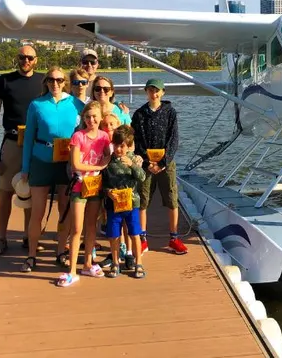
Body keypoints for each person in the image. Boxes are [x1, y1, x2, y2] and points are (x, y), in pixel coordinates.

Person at [20, 66, 85, 273]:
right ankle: (31, 255)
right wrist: (25, 167)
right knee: (37, 212)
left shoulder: (76, 104)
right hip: (41, 160)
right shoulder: (36, 105)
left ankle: (60, 252)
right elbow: (29, 137)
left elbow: (90, 128)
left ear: (64, 81)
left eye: (58, 80)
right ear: (46, 82)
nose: (54, 84)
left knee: (64, 211)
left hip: (67, 162)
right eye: (50, 80)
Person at [0, 45, 44, 256]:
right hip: (11, 142)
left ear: (36, 60)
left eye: (29, 58)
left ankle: (29, 236)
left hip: (36, 142)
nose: (25, 61)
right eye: (22, 57)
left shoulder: (43, 81)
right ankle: (1, 238)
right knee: (6, 191)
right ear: (17, 59)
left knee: (32, 191)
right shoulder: (5, 80)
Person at [57, 101, 111, 287]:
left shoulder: (104, 137)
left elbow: (109, 155)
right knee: (77, 228)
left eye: (95, 116)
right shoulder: (78, 136)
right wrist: (98, 166)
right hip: (79, 186)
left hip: (95, 186)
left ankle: (88, 263)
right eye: (88, 117)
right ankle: (72, 270)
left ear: (100, 118)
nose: (91, 120)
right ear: (83, 118)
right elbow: (76, 165)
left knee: (91, 226)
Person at [132, 78, 187, 255]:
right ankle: (142, 239)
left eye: (157, 91)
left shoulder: (170, 112)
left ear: (163, 92)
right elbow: (136, 140)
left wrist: (163, 163)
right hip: (146, 165)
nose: (153, 94)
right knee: (142, 200)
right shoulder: (139, 114)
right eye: (150, 90)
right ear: (146, 92)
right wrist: (147, 163)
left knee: (171, 199)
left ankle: (174, 237)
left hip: (166, 165)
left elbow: (174, 139)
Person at [102, 125, 145, 278]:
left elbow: (142, 177)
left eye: (122, 146)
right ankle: (115, 263)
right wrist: (108, 192)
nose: (119, 149)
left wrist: (132, 165)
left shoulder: (134, 159)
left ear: (128, 146)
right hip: (113, 205)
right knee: (113, 236)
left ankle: (138, 262)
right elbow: (103, 183)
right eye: (116, 145)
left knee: (135, 234)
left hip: (132, 204)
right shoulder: (108, 162)